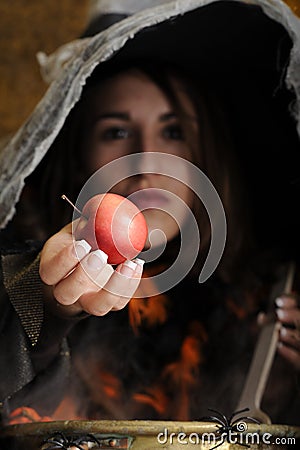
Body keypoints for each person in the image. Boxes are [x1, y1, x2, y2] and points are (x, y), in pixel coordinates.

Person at [0, 0, 300, 430]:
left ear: (207, 154)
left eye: (173, 131)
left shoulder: (262, 297)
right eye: (116, 132)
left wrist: (278, 392)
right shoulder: (19, 280)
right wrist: (40, 312)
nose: (146, 161)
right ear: (79, 157)